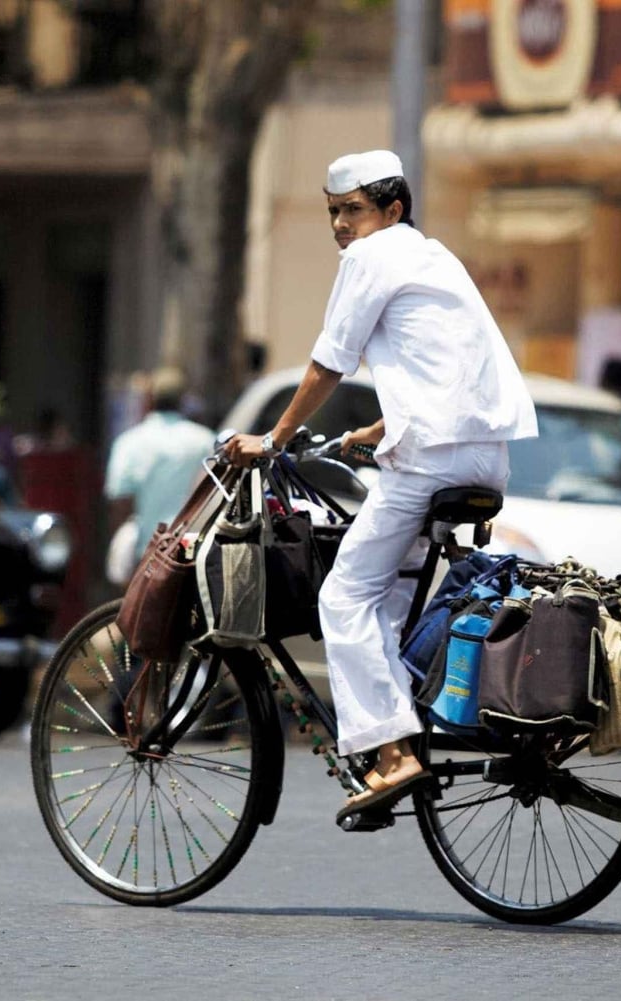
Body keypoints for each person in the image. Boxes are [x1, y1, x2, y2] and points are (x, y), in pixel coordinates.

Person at [222, 149, 537, 820]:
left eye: (353, 210)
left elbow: (328, 361)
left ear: (392, 210)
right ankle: (397, 732)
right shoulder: (434, 257)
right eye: (333, 212)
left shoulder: (373, 256)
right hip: (485, 459)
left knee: (343, 596)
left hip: (429, 463)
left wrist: (273, 439)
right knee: (388, 599)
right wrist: (380, 427)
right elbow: (443, 364)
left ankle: (395, 755)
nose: (340, 225)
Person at [104, 367, 214, 583]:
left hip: (146, 553)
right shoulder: (205, 441)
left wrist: (125, 547)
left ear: (150, 400)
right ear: (183, 401)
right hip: (190, 551)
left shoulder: (128, 442)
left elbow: (119, 502)